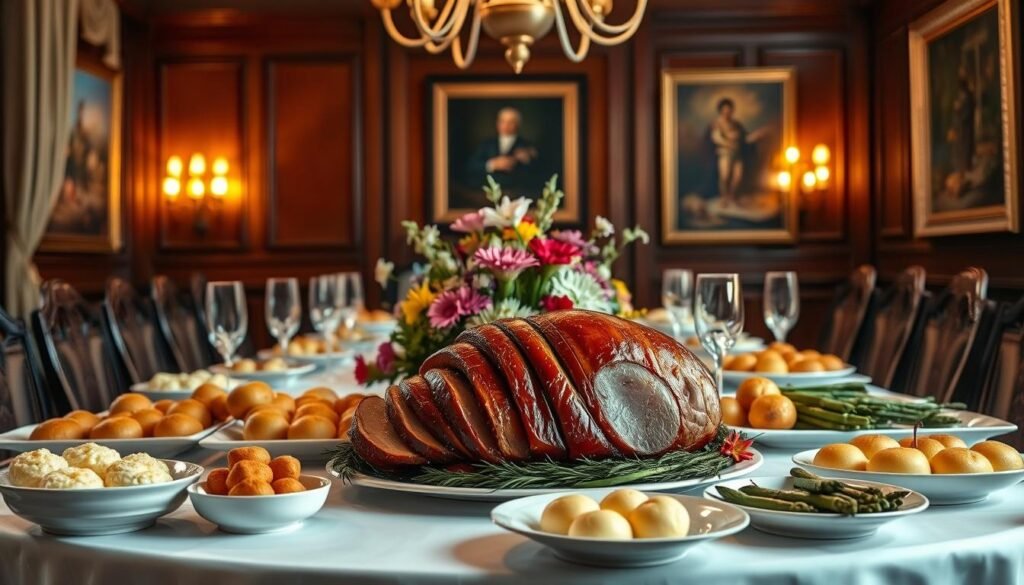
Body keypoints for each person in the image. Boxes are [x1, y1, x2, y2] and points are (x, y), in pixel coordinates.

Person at [465, 107, 540, 196]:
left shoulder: (528, 146)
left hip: (516, 194)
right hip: (487, 194)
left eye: (511, 122)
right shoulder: (486, 144)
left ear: (518, 124)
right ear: (497, 123)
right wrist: (492, 164)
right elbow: (471, 166)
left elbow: (538, 173)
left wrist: (528, 160)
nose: (506, 125)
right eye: (502, 121)